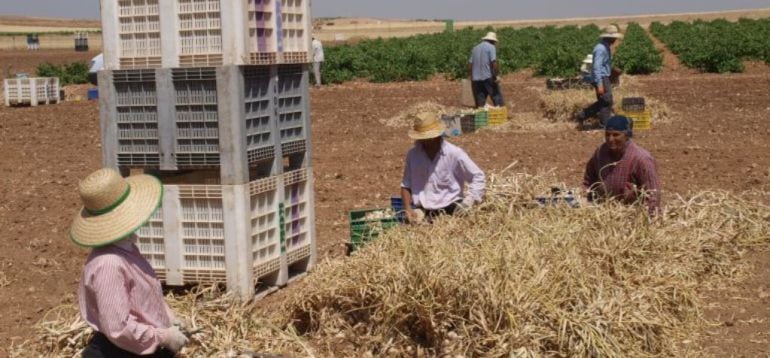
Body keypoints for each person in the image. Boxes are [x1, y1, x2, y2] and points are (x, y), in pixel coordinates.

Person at [69, 168, 190, 357]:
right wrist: (163, 337)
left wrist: (170, 319)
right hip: (121, 351)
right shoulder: (108, 265)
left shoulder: (126, 249)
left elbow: (142, 298)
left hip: (140, 346)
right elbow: (118, 328)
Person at [400, 112, 486, 223]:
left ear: (437, 136)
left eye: (429, 138)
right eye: (423, 138)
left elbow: (478, 176)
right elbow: (406, 184)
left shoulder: (454, 153)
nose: (427, 141)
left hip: (451, 210)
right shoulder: (413, 155)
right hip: (424, 210)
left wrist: (469, 200)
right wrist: (408, 208)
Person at [583, 115, 661, 215]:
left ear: (627, 135)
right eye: (607, 135)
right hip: (603, 213)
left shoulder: (641, 159)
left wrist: (647, 219)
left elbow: (653, 194)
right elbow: (589, 178)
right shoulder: (600, 152)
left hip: (630, 216)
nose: (610, 139)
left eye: (616, 135)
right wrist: (586, 201)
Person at [577, 25, 624, 127]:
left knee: (605, 101)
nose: (615, 39)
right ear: (609, 37)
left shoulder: (605, 47)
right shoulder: (601, 48)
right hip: (601, 78)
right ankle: (590, 117)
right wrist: (600, 84)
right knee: (607, 100)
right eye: (614, 37)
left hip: (604, 77)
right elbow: (596, 67)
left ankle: (591, 118)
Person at [468, 32, 504, 108]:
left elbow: (471, 64)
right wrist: (496, 75)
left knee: (480, 101)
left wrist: (471, 77)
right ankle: (500, 114)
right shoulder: (491, 47)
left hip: (476, 78)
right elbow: (493, 62)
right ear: (492, 41)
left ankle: (482, 116)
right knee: (496, 96)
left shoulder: (475, 48)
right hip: (487, 76)